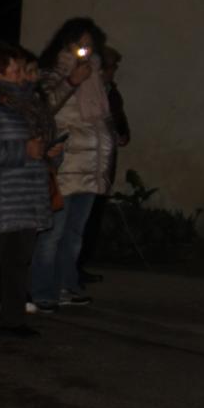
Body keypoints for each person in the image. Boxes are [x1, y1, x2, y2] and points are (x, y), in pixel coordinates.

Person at [0, 42, 62, 340]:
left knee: (18, 263)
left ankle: (13, 320)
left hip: (26, 198)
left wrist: (49, 153)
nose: (21, 75)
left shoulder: (29, 105)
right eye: (15, 70)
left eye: (21, 69)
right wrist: (24, 150)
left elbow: (36, 149)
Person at [30, 18, 113, 312]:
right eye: (79, 44)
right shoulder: (50, 74)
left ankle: (66, 285)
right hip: (64, 166)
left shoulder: (96, 77)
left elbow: (102, 120)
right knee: (52, 234)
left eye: (89, 44)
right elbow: (44, 108)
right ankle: (42, 290)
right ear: (65, 44)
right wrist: (71, 82)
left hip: (90, 168)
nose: (84, 50)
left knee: (75, 235)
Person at [78, 45, 130, 283]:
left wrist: (122, 133)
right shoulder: (86, 91)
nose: (113, 73)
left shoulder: (111, 92)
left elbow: (118, 119)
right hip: (85, 167)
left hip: (103, 165)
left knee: (92, 220)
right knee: (79, 222)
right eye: (111, 68)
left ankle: (80, 265)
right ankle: (70, 270)